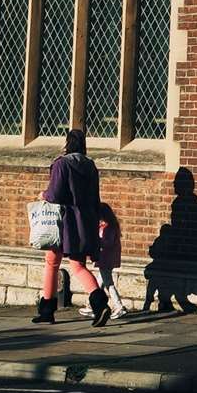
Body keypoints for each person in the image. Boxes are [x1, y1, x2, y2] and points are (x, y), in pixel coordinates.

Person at [32, 129, 113, 326]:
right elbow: (96, 197)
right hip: (84, 221)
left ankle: (51, 309)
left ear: (68, 143)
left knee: (57, 262)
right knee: (73, 263)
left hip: (64, 222)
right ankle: (96, 303)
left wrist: (44, 195)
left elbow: (55, 194)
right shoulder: (91, 166)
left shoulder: (62, 164)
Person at [78, 201, 130, 320]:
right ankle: (91, 305)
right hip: (105, 258)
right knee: (99, 282)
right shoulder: (106, 226)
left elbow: (108, 243)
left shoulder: (108, 227)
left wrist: (96, 240)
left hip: (106, 258)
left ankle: (119, 306)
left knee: (108, 283)